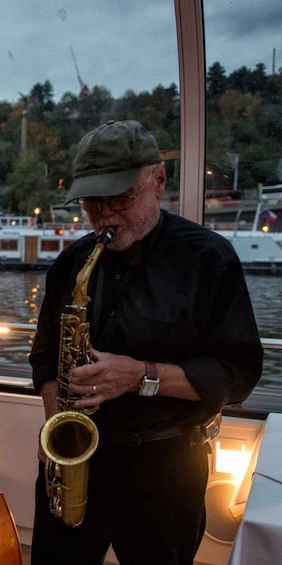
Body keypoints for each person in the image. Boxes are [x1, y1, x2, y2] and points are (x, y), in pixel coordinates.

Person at [29, 120, 263, 564]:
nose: (103, 215)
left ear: (158, 180)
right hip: (77, 461)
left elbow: (237, 374)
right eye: (91, 203)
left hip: (166, 468)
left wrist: (140, 376)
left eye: (119, 198)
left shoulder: (208, 259)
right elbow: (44, 356)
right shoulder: (71, 263)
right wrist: (58, 437)